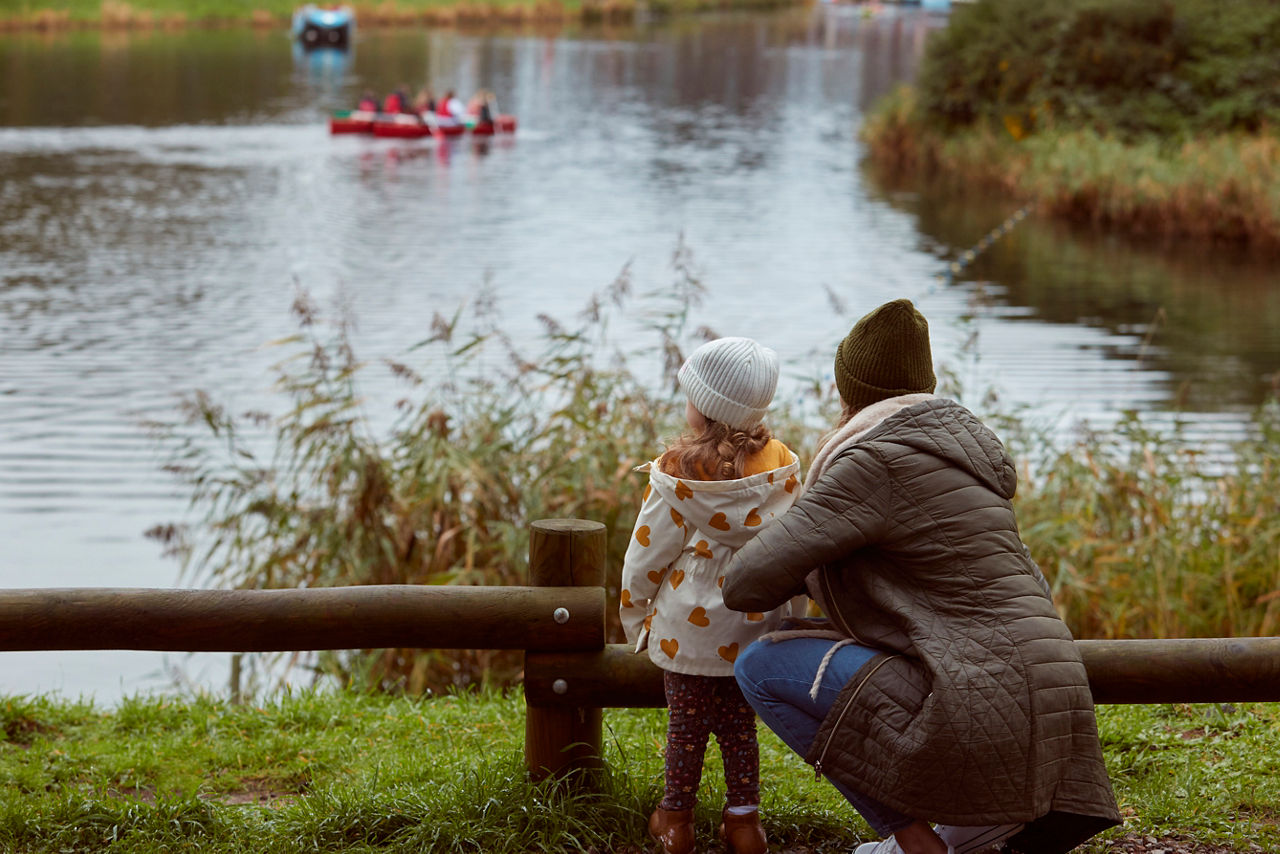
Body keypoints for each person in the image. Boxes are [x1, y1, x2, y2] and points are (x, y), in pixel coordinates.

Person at [722, 299, 1122, 854]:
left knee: (762, 664)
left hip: (979, 696)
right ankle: (975, 831)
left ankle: (914, 839)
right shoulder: (966, 458)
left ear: (848, 389)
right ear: (925, 385)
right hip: (1059, 706)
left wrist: (811, 560)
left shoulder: (873, 461)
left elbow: (744, 583)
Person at [620, 337, 802, 854]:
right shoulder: (781, 466)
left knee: (686, 729)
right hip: (754, 626)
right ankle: (745, 825)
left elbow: (646, 556)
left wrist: (635, 618)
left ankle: (675, 821)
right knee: (740, 731)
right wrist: (792, 617)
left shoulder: (677, 473)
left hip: (687, 633)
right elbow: (795, 549)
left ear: (703, 408)